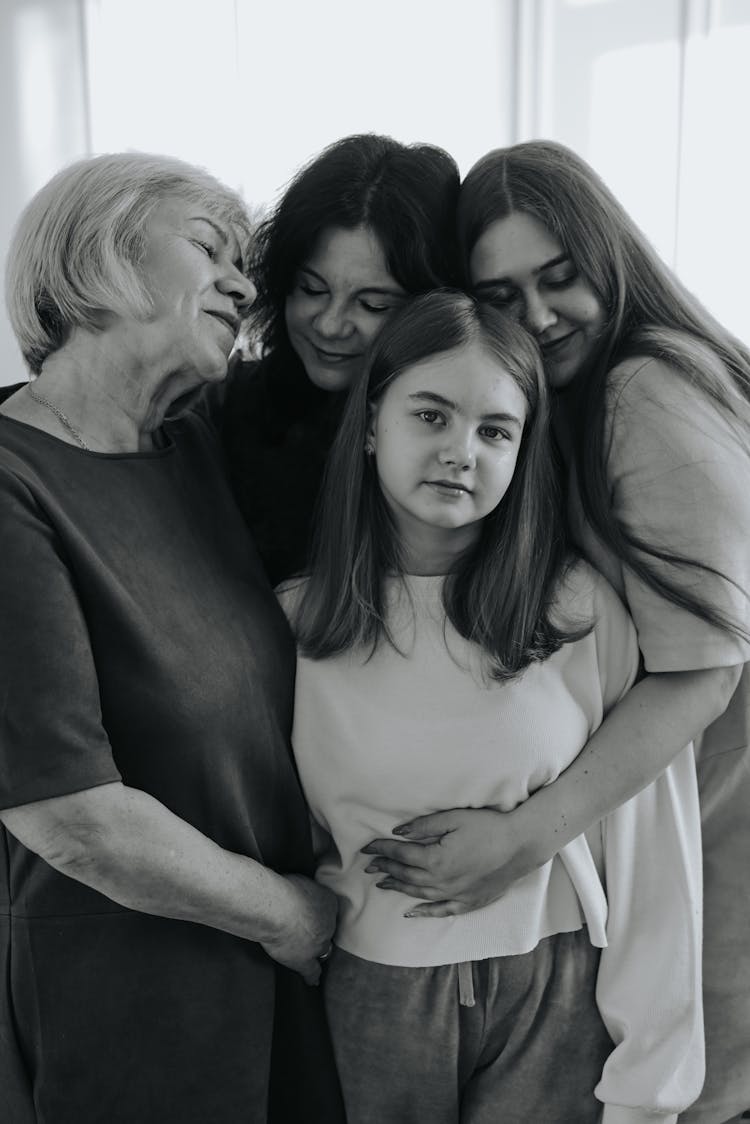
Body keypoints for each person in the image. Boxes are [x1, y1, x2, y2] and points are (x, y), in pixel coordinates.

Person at [363, 141, 750, 1124]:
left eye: (559, 277)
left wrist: (526, 834)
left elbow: (704, 669)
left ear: (608, 256)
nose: (535, 315)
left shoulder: (643, 389)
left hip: (719, 811)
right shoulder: (577, 396)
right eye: (500, 293)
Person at [278, 290, 703, 1124]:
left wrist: (653, 1087)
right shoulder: (288, 626)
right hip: (369, 990)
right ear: (370, 425)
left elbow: (652, 854)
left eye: (494, 431)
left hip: (555, 987)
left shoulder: (578, 609)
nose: (459, 453)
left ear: (521, 452)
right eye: (430, 415)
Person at [0, 152, 344, 1124]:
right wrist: (288, 913)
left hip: (274, 976)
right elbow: (73, 818)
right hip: (130, 998)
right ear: (96, 254)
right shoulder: (13, 482)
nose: (244, 282)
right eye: (210, 248)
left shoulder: (192, 443)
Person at [221, 132, 461, 584]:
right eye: (312, 289)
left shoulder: (470, 439)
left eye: (373, 305)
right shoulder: (226, 407)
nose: (330, 325)